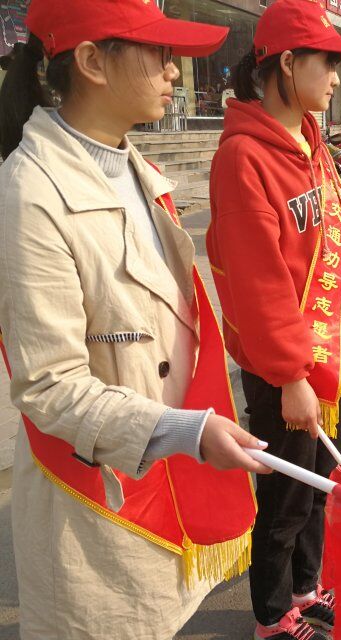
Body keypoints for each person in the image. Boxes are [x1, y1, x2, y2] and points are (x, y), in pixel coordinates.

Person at [0, 0, 269, 638]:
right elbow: (49, 385)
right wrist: (186, 431)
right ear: (92, 61)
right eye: (159, 53)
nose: (174, 71)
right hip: (94, 505)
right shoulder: (29, 192)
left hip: (161, 478)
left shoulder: (135, 168)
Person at [205, 1, 341, 638]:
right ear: (286, 62)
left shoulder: (315, 146)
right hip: (286, 373)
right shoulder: (243, 158)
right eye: (327, 62)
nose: (336, 78)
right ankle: (273, 615)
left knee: (320, 484)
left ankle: (306, 586)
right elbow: (258, 282)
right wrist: (289, 375)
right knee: (285, 497)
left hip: (334, 354)